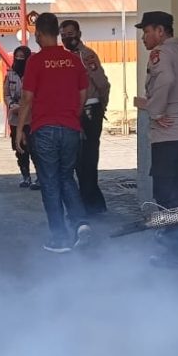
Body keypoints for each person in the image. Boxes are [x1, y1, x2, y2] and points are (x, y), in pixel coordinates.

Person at [133, 11, 178, 270]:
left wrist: (156, 112)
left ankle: (172, 252)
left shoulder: (161, 54)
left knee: (166, 194)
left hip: (170, 135)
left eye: (146, 31)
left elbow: (166, 79)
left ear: (160, 32)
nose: (143, 37)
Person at [16, 13, 92, 253]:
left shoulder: (35, 62)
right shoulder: (73, 60)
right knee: (66, 177)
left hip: (44, 129)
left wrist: (19, 130)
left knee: (49, 181)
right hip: (70, 128)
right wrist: (73, 117)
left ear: (38, 34)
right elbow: (83, 93)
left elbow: (27, 98)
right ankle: (80, 223)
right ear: (57, 33)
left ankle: (59, 238)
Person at [60, 20, 111, 214]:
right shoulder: (67, 57)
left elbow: (103, 84)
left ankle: (91, 205)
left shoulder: (86, 55)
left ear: (79, 33)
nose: (67, 38)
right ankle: (93, 203)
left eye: (71, 34)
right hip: (75, 113)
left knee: (87, 160)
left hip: (90, 111)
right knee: (78, 161)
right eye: (63, 35)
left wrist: (101, 106)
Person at [3, 45, 40, 190]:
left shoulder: (34, 73)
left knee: (34, 148)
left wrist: (26, 107)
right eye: (17, 57)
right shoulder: (10, 74)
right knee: (19, 148)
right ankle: (25, 176)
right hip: (15, 118)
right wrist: (12, 106)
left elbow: (38, 94)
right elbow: (6, 94)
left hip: (32, 117)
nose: (19, 59)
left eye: (22, 57)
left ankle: (39, 177)